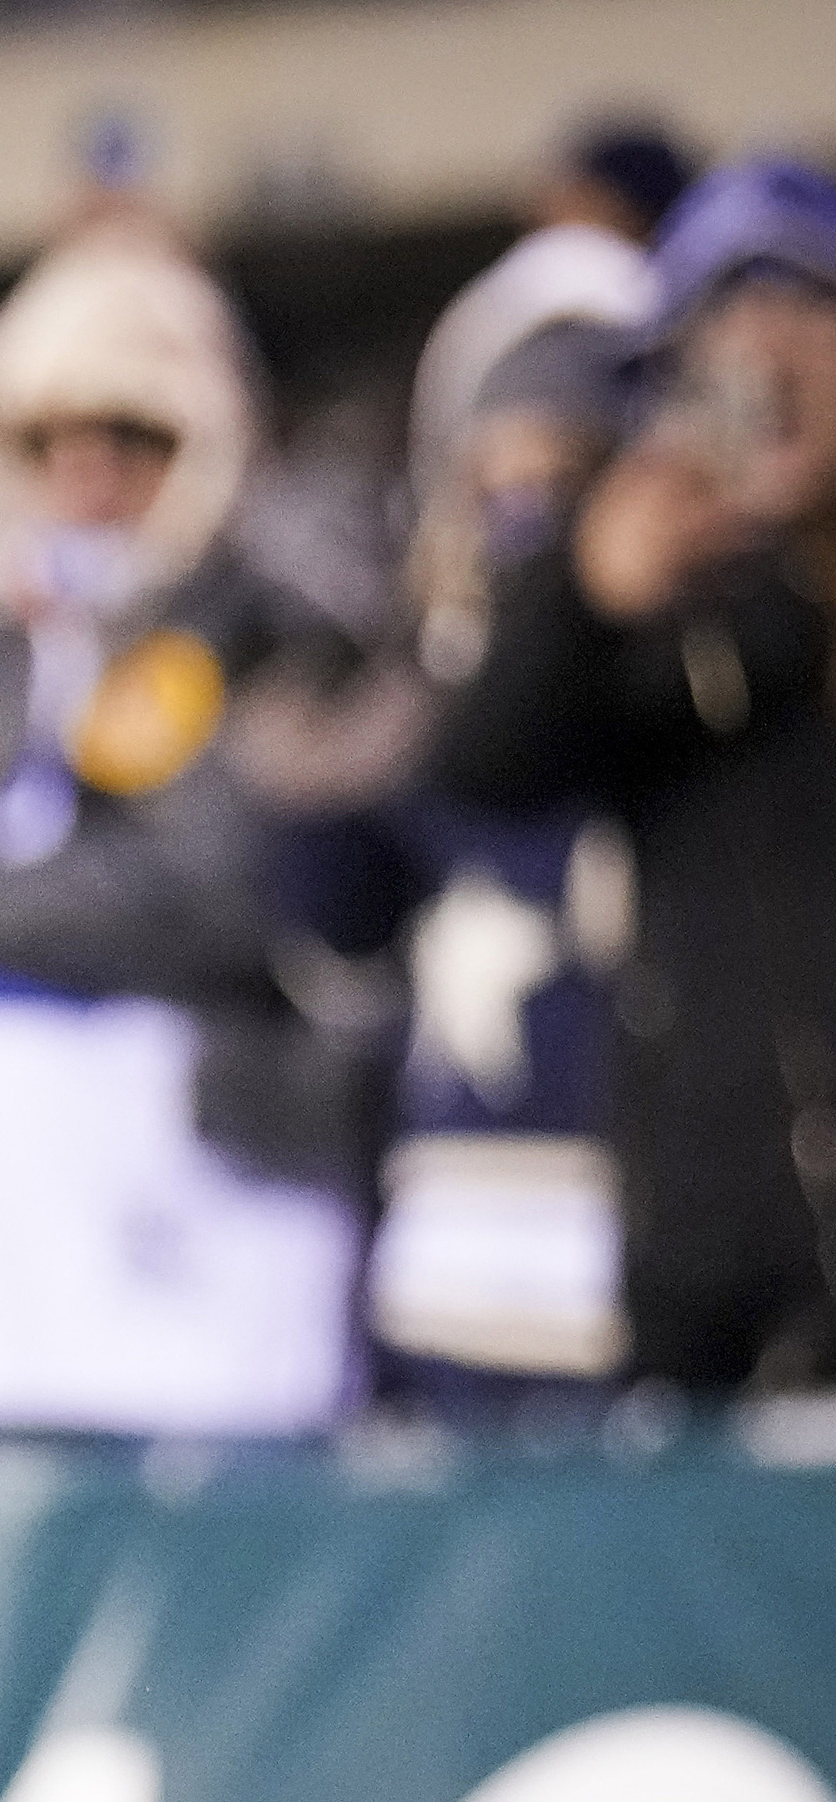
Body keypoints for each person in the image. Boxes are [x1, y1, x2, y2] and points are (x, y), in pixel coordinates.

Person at [0, 225, 378, 1444]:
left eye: (132, 437)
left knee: (227, 1595)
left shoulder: (279, 626)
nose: (86, 474)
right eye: (48, 440)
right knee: (0, 1589)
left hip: (208, 1200)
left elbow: (228, 882)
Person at [430, 160, 836, 1394]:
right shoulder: (693, 636)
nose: (754, 363)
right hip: (713, 1289)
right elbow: (488, 766)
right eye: (715, 332)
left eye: (799, 315)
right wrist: (585, 590)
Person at [296, 220, 654, 1415]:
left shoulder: (701, 692)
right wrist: (309, 774)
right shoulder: (423, 693)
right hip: (448, 1285)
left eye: (560, 485)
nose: (522, 526)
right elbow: (335, 936)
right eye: (494, 486)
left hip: (649, 1275)